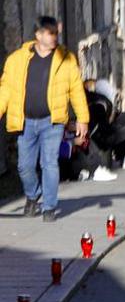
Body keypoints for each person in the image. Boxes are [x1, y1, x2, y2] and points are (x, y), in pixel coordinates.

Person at [2, 16, 90, 221]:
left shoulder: (66, 59)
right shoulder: (16, 60)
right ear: (38, 34)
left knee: (49, 163)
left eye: (56, 33)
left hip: (52, 122)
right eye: (50, 33)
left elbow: (76, 90)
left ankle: (49, 207)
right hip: (25, 122)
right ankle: (33, 195)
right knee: (24, 167)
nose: (54, 37)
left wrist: (83, 118)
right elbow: (5, 89)